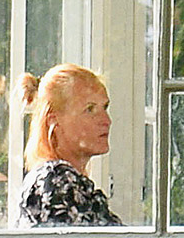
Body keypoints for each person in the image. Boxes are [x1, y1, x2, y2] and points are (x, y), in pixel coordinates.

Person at [15, 63, 121, 227]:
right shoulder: (56, 181)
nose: (106, 121)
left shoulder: (64, 182)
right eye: (90, 109)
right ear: (53, 120)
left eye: (105, 108)